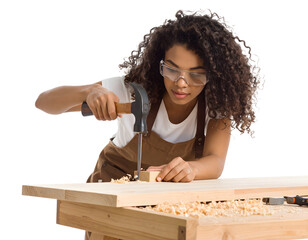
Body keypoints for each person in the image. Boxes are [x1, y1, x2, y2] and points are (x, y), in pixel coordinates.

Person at [36, 10, 259, 189]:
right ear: (159, 63)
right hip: (110, 198)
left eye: (196, 74)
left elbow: (216, 160)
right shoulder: (133, 89)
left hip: (161, 205)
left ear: (214, 75)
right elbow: (44, 102)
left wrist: (192, 169)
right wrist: (88, 92)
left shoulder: (216, 104)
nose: (181, 83)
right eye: (172, 69)